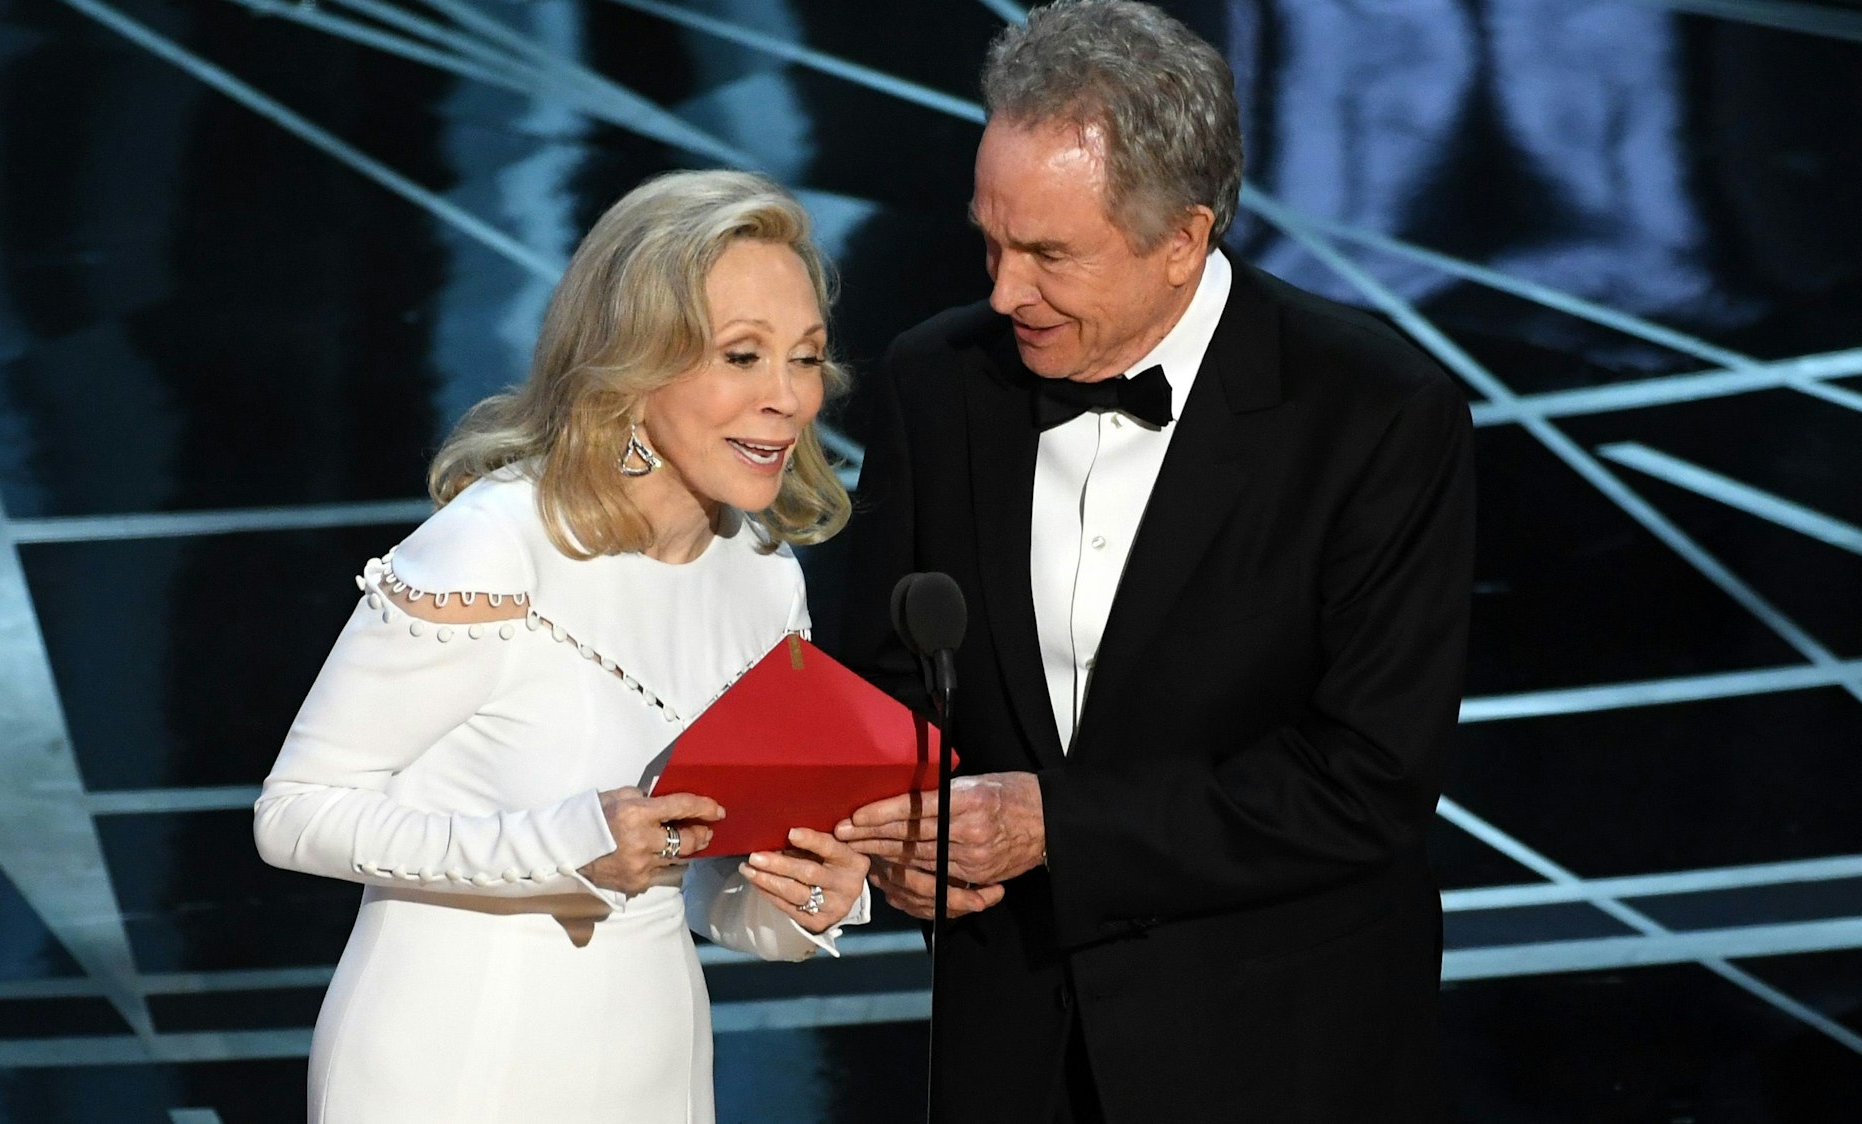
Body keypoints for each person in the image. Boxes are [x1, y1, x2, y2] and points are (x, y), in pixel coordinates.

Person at [834, 3, 1475, 1121]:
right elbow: (889, 673)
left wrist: (1056, 827)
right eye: (989, 239)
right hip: (1007, 1044)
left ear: (1184, 238)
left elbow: (1367, 777)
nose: (1001, 291)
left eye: (1048, 254)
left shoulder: (1373, 413)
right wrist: (904, 837)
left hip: (1274, 1048)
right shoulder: (934, 381)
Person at [253, 170, 872, 1123]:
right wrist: (567, 843)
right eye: (742, 356)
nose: (788, 399)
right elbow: (295, 815)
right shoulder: (495, 546)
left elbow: (709, 882)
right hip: (448, 1067)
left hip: (655, 1063)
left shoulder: (763, 578)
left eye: (804, 359)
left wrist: (801, 901)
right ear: (634, 365)